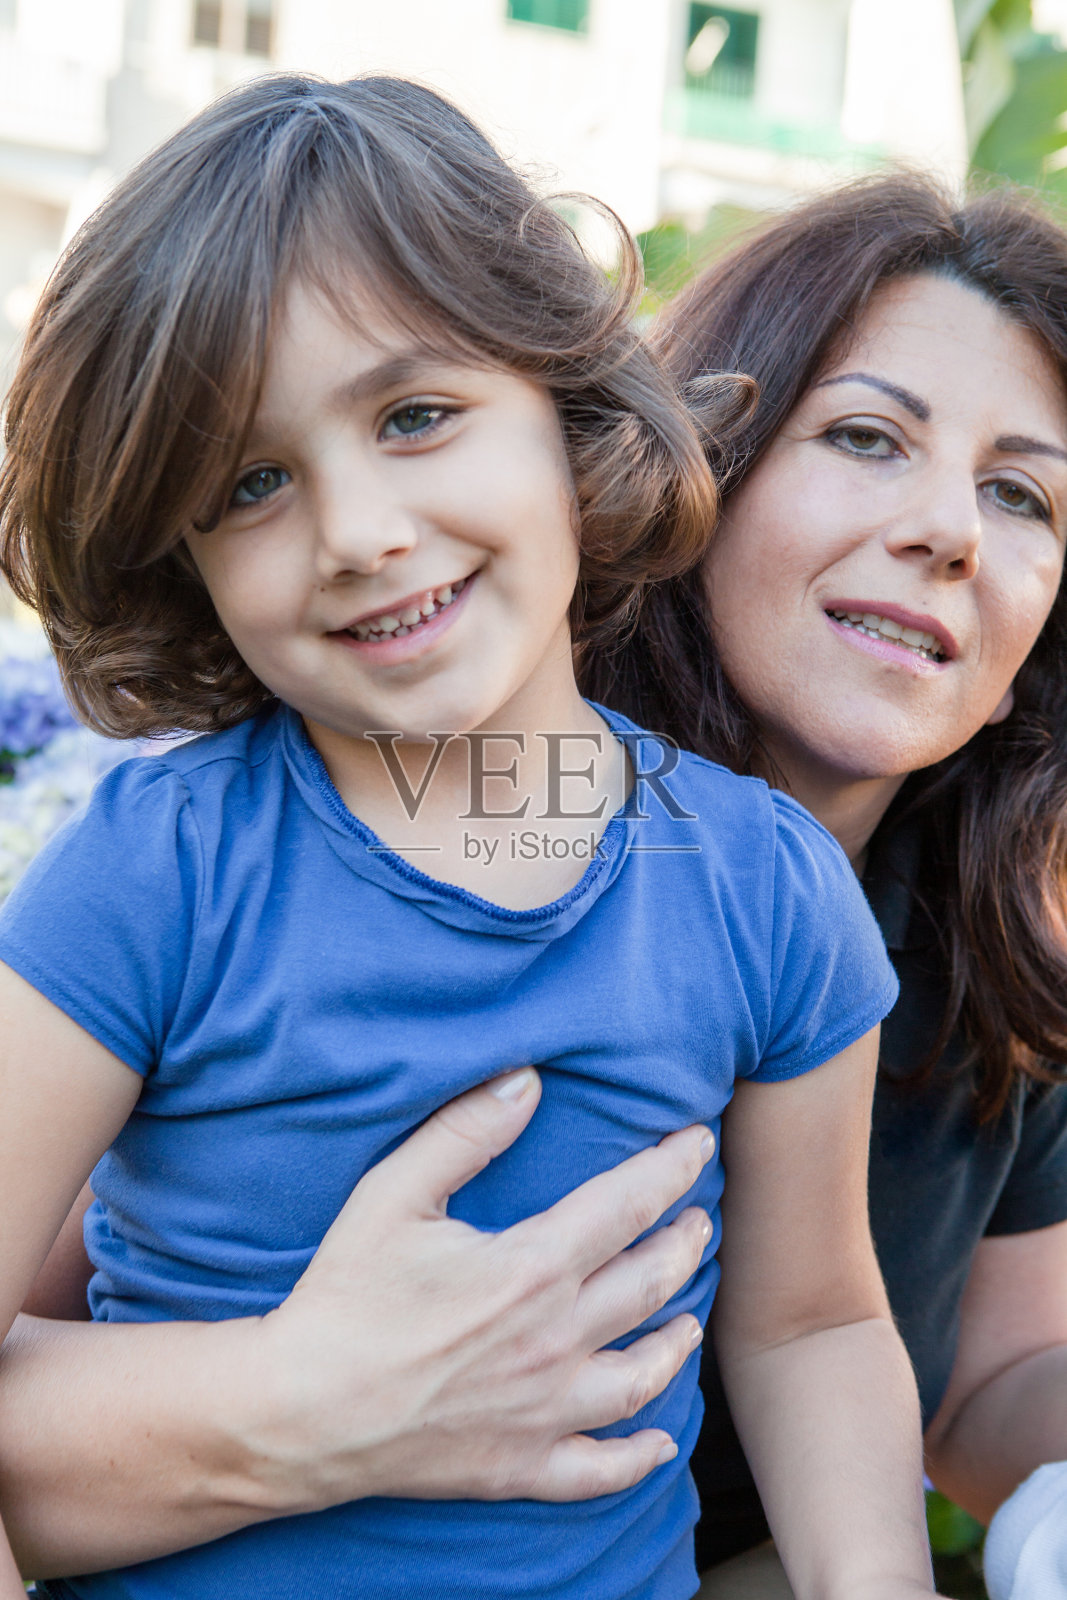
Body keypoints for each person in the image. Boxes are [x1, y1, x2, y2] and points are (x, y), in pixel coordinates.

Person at [0, 76, 931, 1600]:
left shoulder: (765, 891)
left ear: (564, 414)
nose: (358, 528)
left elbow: (811, 1324)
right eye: (253, 483)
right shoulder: (156, 872)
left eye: (416, 414)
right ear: (189, 557)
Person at [579, 172, 1067, 1595]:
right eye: (866, 438)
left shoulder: (982, 929)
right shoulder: (449, 829)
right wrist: (284, 1398)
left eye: (1021, 493)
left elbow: (996, 1387)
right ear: (699, 464)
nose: (951, 530)